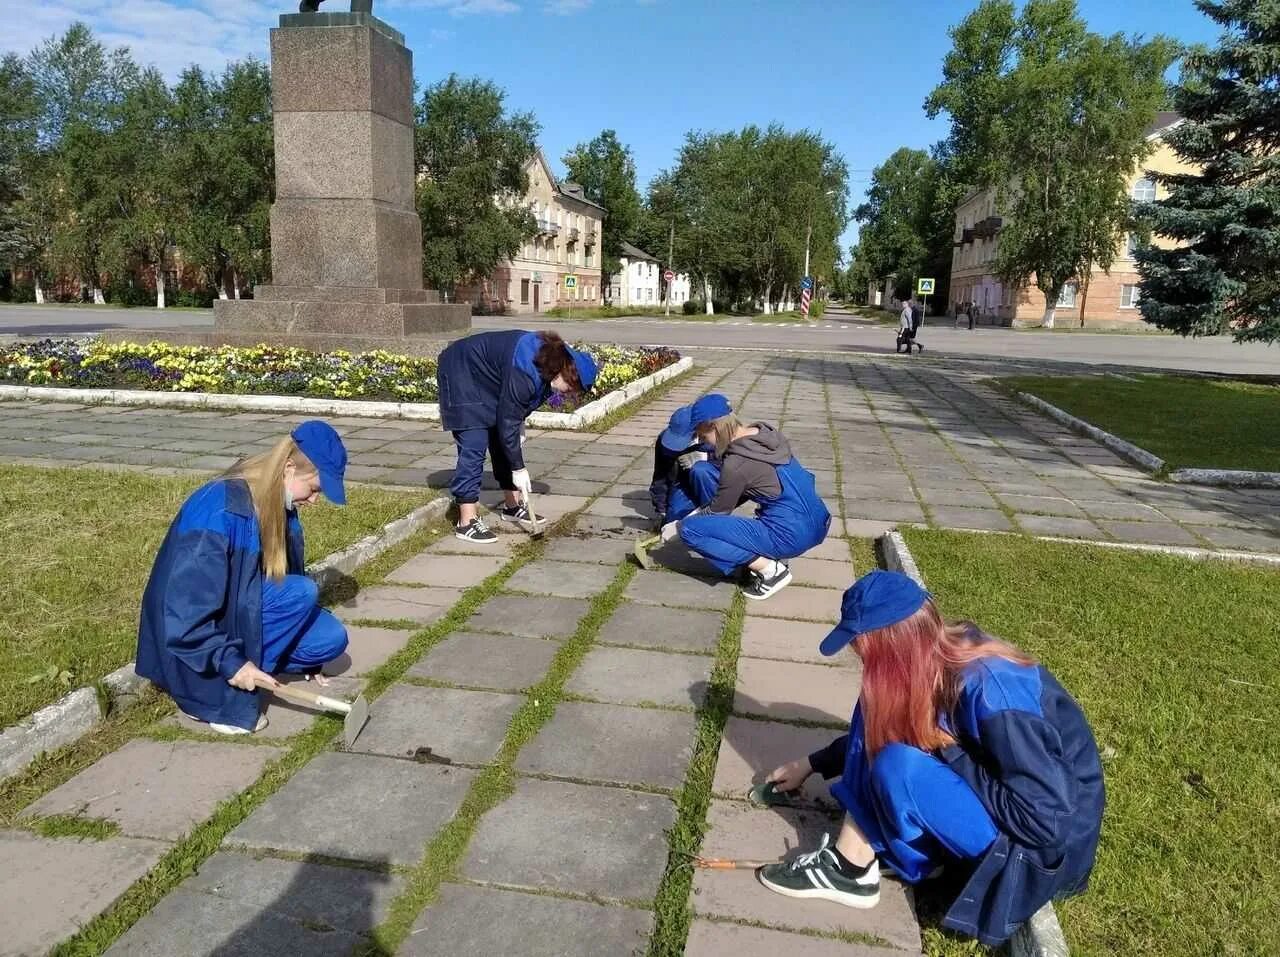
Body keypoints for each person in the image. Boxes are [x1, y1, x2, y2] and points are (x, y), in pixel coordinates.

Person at [756, 571, 1104, 947]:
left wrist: (950, 752)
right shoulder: (937, 655)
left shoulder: (995, 694)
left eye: (862, 650)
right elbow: (897, 721)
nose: (858, 657)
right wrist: (813, 762)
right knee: (878, 704)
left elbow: (1044, 822)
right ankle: (865, 849)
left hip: (1043, 853)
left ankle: (851, 870)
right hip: (1018, 816)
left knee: (900, 767)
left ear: (893, 648)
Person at [135, 421, 352, 735]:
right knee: (302, 591)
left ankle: (255, 664)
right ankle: (214, 693)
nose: (315, 500)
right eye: (316, 488)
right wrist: (230, 662)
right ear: (288, 468)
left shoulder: (281, 508)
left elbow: (276, 587)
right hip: (192, 638)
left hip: (242, 611)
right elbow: (183, 613)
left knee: (329, 639)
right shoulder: (220, 510)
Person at [662, 394, 832, 600]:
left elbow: (717, 511)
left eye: (703, 436)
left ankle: (772, 572)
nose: (706, 443)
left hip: (791, 535)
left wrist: (678, 526)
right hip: (819, 522)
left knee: (691, 531)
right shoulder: (766, 436)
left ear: (712, 427)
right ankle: (773, 554)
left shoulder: (736, 464)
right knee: (715, 523)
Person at [438, 330, 598, 543]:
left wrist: (518, 425)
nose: (569, 394)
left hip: (489, 379)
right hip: (462, 370)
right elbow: (509, 416)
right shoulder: (526, 369)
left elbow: (514, 413)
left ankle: (512, 506)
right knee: (474, 442)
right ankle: (466, 521)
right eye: (571, 388)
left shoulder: (548, 369)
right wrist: (519, 468)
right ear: (567, 371)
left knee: (502, 439)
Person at [648, 402, 719, 528]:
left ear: (697, 431)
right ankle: (697, 509)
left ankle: (716, 518)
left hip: (714, 484)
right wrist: (661, 511)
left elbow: (735, 467)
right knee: (672, 521)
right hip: (685, 484)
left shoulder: (716, 435)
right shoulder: (665, 442)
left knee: (700, 470)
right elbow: (660, 476)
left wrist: (705, 457)